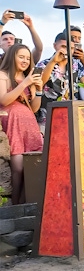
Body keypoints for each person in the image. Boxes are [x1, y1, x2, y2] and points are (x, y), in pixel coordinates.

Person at [0, 44, 44, 204]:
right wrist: (25, 83)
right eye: (21, 57)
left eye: (27, 58)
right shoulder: (3, 75)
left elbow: (34, 108)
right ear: (12, 57)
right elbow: (4, 100)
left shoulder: (28, 78)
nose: (25, 60)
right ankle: (15, 205)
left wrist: (38, 90)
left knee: (31, 166)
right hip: (12, 124)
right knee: (17, 168)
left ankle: (27, 203)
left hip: (29, 125)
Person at [35, 32, 84, 132]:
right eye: (63, 46)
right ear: (55, 46)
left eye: (70, 48)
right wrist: (53, 62)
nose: (66, 51)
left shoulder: (76, 65)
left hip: (71, 116)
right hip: (48, 116)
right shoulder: (43, 64)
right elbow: (40, 83)